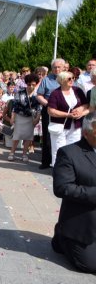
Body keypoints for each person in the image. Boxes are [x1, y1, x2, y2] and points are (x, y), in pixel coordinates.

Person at [51, 112, 96, 273]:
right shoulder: (69, 153)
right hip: (83, 225)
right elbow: (63, 188)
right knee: (91, 265)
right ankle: (63, 238)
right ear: (86, 132)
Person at [47, 71, 89, 167]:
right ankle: (58, 168)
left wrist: (80, 109)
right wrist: (68, 115)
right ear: (62, 81)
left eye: (73, 78)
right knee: (59, 148)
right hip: (60, 126)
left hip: (76, 125)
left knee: (74, 148)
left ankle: (71, 169)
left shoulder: (78, 90)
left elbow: (86, 104)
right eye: (69, 78)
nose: (72, 80)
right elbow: (51, 111)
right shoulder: (55, 93)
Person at [8, 74, 42, 162]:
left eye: (33, 84)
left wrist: (37, 118)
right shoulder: (20, 92)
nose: (31, 86)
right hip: (20, 116)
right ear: (26, 84)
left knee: (28, 137)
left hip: (31, 118)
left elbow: (39, 108)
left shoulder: (37, 94)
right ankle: (12, 153)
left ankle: (24, 154)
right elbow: (15, 106)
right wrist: (12, 117)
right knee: (17, 135)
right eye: (29, 84)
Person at [37, 59, 63, 169]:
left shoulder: (67, 78)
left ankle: (61, 162)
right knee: (47, 136)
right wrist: (48, 104)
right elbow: (39, 95)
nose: (57, 69)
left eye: (59, 67)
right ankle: (46, 161)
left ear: (63, 67)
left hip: (63, 111)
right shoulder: (46, 80)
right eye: (54, 67)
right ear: (51, 68)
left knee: (62, 135)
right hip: (48, 110)